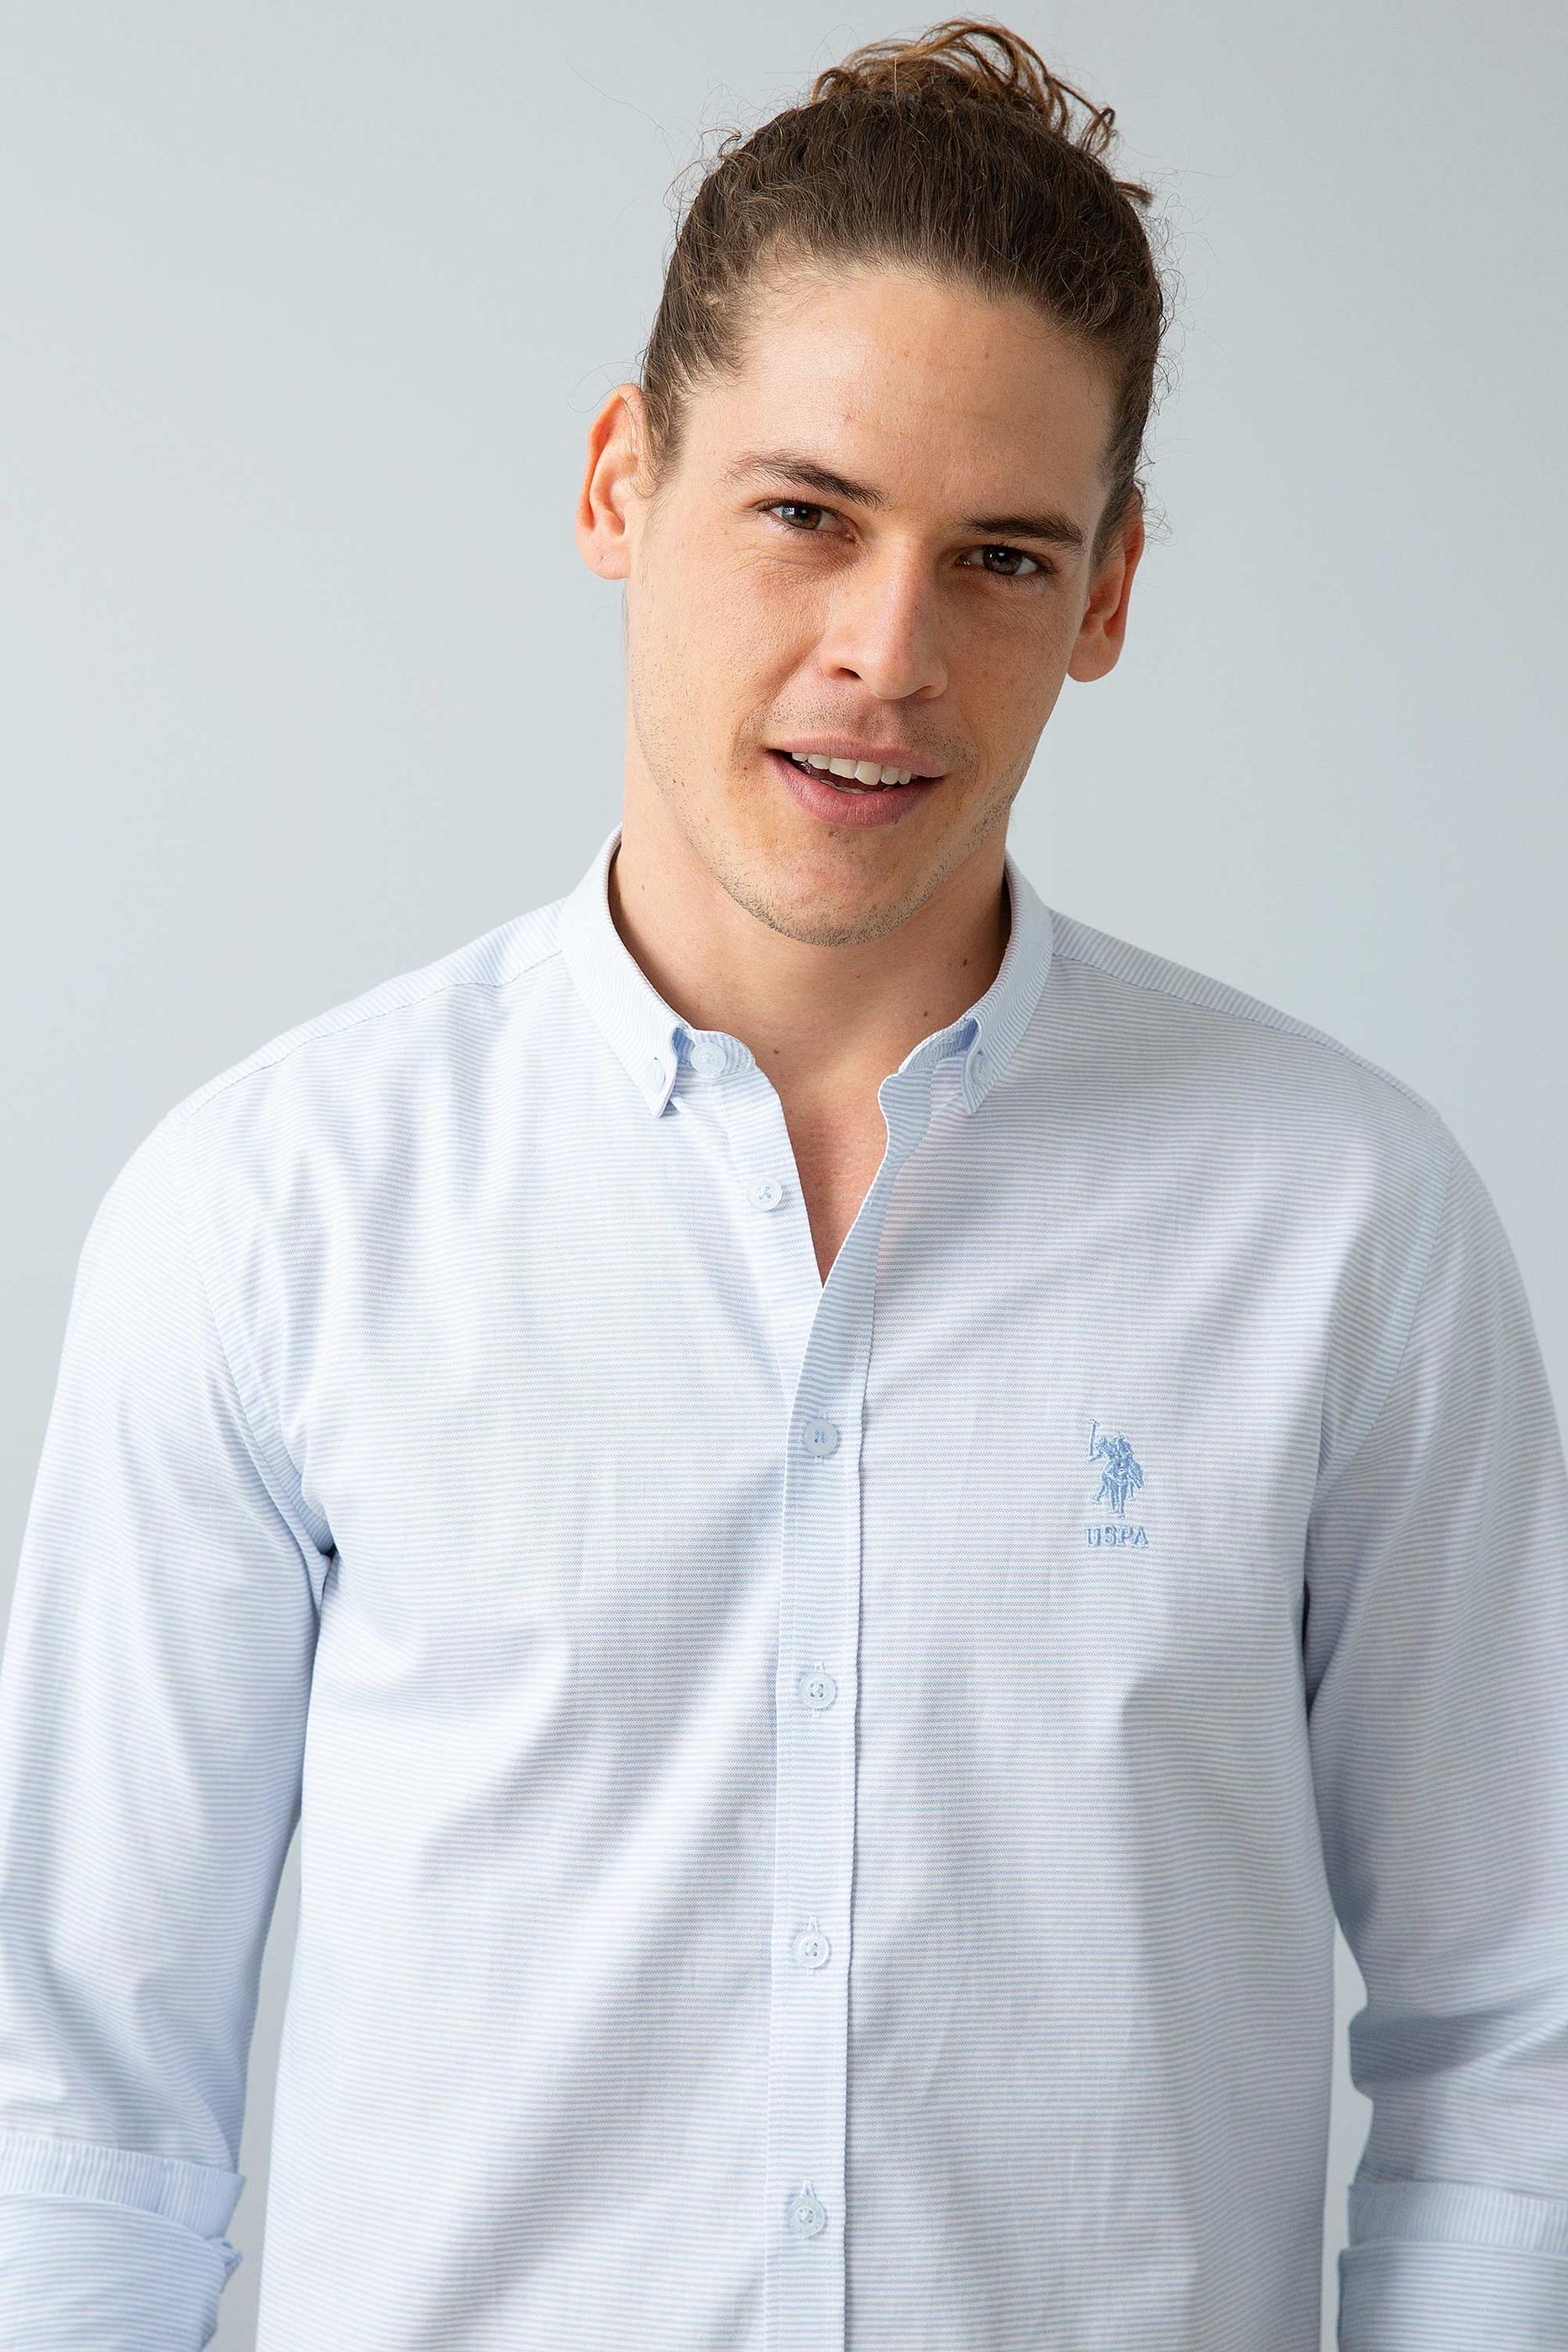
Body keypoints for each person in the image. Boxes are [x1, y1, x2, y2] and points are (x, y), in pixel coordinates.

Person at [2, 18, 1564, 2351]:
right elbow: (82, 2102)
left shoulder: (1344, 1225)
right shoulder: (269, 1215)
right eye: (806, 513)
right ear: (620, 481)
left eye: (999, 556)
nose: (885, 655)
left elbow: (1515, 2049)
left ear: (1109, 594)